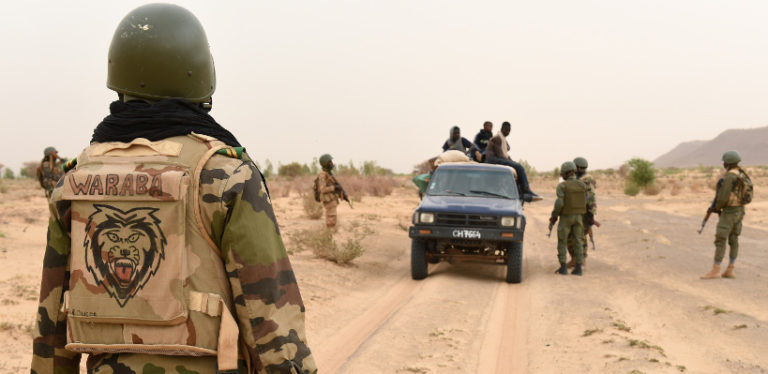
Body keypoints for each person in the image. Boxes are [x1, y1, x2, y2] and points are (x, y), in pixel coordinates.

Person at [30, 4, 316, 373]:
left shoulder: (75, 177)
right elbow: (271, 312)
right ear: (199, 73)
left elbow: (52, 315)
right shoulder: (225, 173)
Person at [700, 150, 752, 279]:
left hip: (729, 212)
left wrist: (716, 208)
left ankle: (716, 269)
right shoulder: (742, 173)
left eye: (724, 162)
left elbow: (722, 197)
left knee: (721, 238)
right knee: (734, 239)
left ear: (727, 163)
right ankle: (730, 269)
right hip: (740, 210)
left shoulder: (730, 176)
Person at [483, 121, 541, 201]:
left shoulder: (502, 138)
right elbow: (501, 155)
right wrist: (513, 163)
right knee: (519, 167)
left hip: (496, 158)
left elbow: (505, 154)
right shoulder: (498, 138)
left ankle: (523, 190)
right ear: (502, 129)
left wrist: (512, 162)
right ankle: (526, 189)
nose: (507, 132)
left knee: (517, 166)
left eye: (509, 131)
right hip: (492, 160)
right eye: (506, 130)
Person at [550, 161, 587, 276]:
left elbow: (559, 203)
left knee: (562, 241)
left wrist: (554, 216)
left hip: (566, 217)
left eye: (562, 173)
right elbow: (586, 201)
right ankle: (579, 268)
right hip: (579, 217)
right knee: (578, 241)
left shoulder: (562, 186)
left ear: (566, 173)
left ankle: (563, 268)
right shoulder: (583, 185)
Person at [567, 156, 598, 268]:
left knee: (577, 236)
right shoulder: (582, 179)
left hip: (584, 213)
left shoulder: (586, 180)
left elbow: (590, 198)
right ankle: (577, 259)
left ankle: (579, 260)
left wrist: (590, 216)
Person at [317, 153, 342, 228]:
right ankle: (328, 237)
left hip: (332, 200)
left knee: (332, 221)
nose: (332, 163)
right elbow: (322, 189)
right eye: (329, 162)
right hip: (328, 201)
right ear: (325, 163)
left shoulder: (329, 173)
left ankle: (329, 237)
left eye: (331, 161)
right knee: (331, 221)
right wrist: (334, 187)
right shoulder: (323, 174)